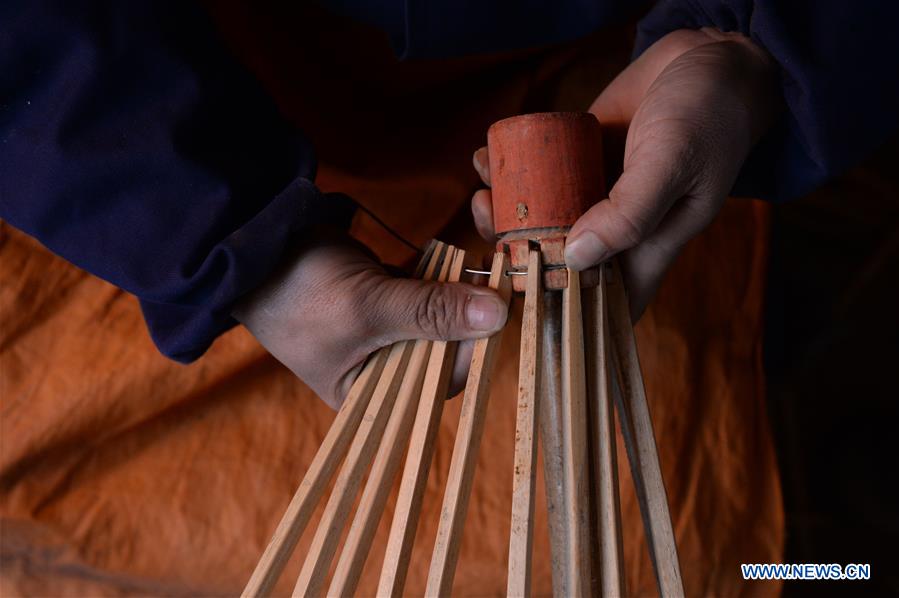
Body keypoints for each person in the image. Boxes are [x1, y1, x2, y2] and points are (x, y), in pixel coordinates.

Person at [2, 1, 897, 409]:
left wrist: (755, 42)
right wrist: (229, 245)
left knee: (707, 556)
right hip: (160, 123)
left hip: (640, 102)